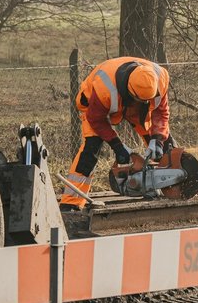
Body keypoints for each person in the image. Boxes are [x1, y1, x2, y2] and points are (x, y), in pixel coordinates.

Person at [60, 56, 172, 211]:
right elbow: (96, 120)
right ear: (130, 93)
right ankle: (71, 202)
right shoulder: (104, 88)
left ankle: (170, 186)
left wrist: (158, 139)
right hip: (94, 107)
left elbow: (161, 113)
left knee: (164, 145)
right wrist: (117, 146)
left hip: (136, 108)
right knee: (90, 150)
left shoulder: (160, 78)